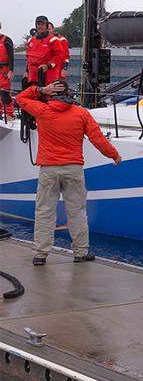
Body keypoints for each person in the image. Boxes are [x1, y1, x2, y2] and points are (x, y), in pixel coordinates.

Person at [16, 80, 121, 265]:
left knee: (44, 212)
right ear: (69, 93)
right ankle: (80, 252)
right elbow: (97, 139)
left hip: (49, 169)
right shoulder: (81, 114)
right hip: (73, 168)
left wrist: (39, 89)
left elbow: (20, 98)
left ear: (51, 94)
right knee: (77, 212)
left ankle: (40, 254)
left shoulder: (42, 110)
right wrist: (114, 155)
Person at [24, 15, 62, 88]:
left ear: (46, 25)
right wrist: (26, 71)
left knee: (46, 97)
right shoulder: (31, 40)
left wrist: (48, 66)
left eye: (42, 24)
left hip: (47, 75)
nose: (40, 26)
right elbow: (28, 58)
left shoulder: (53, 40)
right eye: (38, 24)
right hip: (32, 76)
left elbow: (58, 56)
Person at [0, 26, 14, 120]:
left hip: (4, 69)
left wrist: (11, 70)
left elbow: (11, 56)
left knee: (5, 92)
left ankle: (9, 114)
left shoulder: (6, 40)